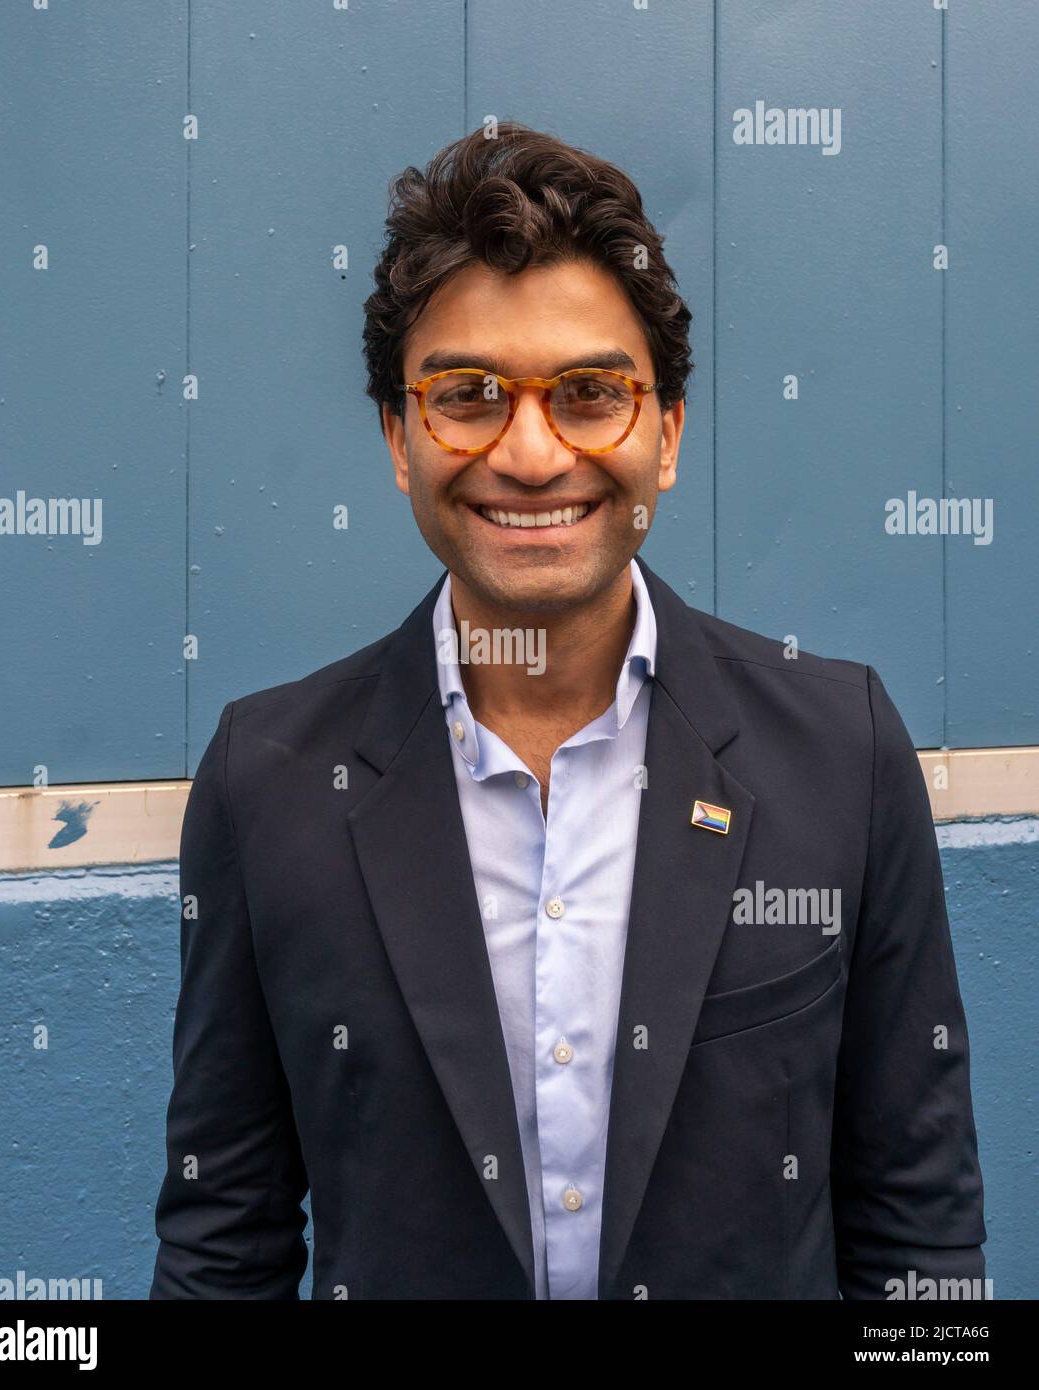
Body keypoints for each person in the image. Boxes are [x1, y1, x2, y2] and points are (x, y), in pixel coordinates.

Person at [150, 122, 986, 1300]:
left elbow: (921, 1234)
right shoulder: (267, 778)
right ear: (398, 438)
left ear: (666, 434)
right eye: (466, 394)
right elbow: (221, 1247)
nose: (532, 453)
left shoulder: (841, 754)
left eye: (590, 393)